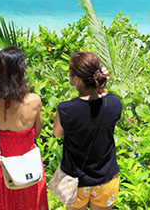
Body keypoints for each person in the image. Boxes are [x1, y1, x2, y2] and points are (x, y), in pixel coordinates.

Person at [0, 46, 48, 210]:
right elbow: (36, 133)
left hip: (2, 166)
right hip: (28, 165)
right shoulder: (34, 100)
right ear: (21, 72)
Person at [52, 51, 122, 209]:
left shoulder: (66, 109)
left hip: (76, 181)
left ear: (76, 79)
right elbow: (103, 100)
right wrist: (101, 88)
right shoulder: (114, 103)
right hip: (106, 180)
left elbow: (57, 133)